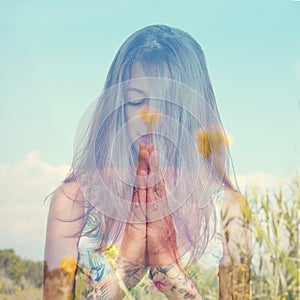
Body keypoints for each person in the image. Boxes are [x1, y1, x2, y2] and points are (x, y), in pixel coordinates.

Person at [44, 25, 251, 299]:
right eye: (135, 101)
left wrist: (165, 261)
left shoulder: (230, 211)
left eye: (167, 103)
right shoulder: (74, 201)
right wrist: (128, 259)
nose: (149, 116)